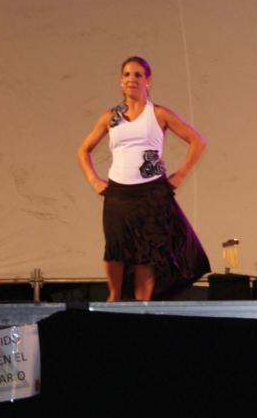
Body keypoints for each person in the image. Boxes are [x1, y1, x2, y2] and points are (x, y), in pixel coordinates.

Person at [76, 56, 210, 302]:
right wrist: (94, 180)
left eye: (138, 74)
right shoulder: (111, 117)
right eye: (127, 74)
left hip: (151, 192)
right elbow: (83, 150)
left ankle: (142, 306)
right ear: (121, 80)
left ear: (147, 81)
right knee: (115, 247)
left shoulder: (158, 114)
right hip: (118, 193)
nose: (132, 79)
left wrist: (180, 175)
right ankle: (114, 299)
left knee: (146, 253)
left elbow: (197, 141)